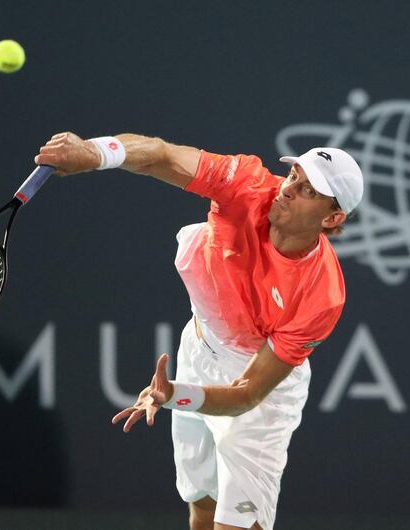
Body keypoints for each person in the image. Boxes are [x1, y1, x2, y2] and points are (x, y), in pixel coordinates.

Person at [34, 132, 364, 530]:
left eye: (309, 190)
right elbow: (162, 155)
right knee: (201, 506)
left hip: (258, 394)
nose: (289, 190)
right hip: (199, 345)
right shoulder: (248, 183)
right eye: (294, 175)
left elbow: (247, 395)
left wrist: (174, 394)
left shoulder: (321, 296)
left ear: (332, 218)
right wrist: (94, 153)